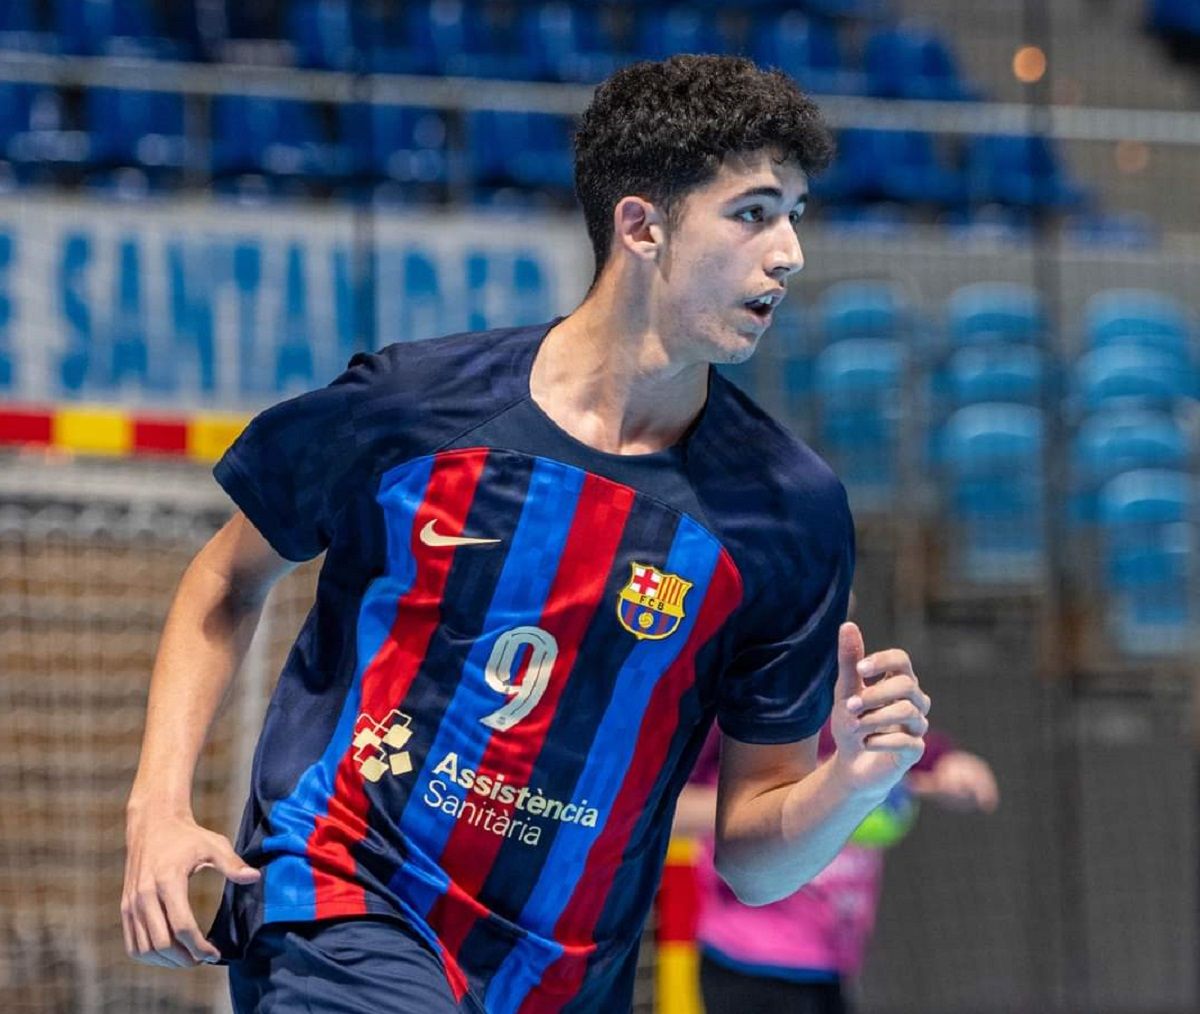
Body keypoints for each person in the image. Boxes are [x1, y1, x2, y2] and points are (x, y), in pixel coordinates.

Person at [121, 55, 932, 1014]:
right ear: (642, 226)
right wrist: (157, 812)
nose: (790, 251)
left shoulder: (788, 511)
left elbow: (755, 859)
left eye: (796, 212)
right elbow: (224, 582)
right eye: (754, 213)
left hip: (560, 976)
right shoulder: (413, 407)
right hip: (345, 900)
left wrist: (855, 782)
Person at [675, 721, 999, 1014]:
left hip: (831, 966)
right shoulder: (734, 714)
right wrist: (800, 801)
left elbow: (934, 762)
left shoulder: (865, 713)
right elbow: (673, 810)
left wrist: (955, 769)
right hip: (746, 965)